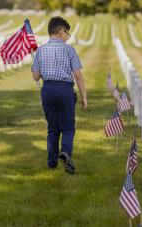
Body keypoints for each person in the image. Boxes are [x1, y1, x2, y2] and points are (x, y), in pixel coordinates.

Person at [32, 16, 87, 174]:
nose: (67, 36)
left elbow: (36, 76)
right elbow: (77, 75)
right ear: (61, 31)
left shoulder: (40, 50)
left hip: (48, 90)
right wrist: (84, 97)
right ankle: (66, 153)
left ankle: (51, 162)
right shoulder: (69, 49)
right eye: (67, 33)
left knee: (52, 127)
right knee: (68, 126)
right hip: (64, 89)